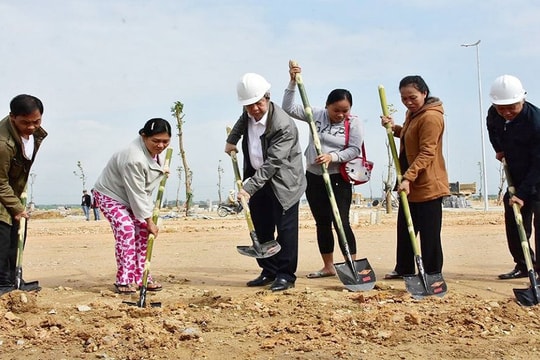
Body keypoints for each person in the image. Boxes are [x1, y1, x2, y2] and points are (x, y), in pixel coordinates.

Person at [225, 72, 306, 292]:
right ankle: (268, 271)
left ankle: (285, 275)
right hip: (258, 178)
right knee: (261, 226)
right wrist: (231, 140)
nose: (254, 110)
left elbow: (273, 163)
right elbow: (242, 123)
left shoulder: (283, 125)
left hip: (284, 181)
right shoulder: (248, 112)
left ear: (267, 97)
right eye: (249, 105)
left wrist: (247, 188)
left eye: (258, 103)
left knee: (286, 230)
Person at [282, 65, 363, 279]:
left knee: (341, 221)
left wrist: (332, 157)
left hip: (339, 178)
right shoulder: (315, 113)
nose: (340, 115)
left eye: (345, 110)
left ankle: (352, 265)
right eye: (336, 110)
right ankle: (328, 266)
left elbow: (354, 149)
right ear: (327, 106)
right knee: (323, 223)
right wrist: (292, 82)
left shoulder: (353, 123)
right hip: (314, 176)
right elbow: (288, 108)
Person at [380, 75, 449, 279]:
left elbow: (427, 151)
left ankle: (432, 272)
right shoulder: (413, 114)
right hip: (410, 185)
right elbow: (411, 138)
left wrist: (408, 178)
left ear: (424, 93)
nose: (408, 102)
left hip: (428, 185)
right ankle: (404, 268)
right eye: (404, 98)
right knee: (406, 230)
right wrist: (395, 129)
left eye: (412, 97)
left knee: (429, 235)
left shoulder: (431, 117)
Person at [93, 118, 171, 294]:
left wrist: (160, 172)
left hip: (132, 196)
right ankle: (124, 280)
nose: (160, 145)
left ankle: (142, 277)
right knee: (127, 229)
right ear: (143, 136)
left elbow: (145, 182)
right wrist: (149, 220)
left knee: (143, 232)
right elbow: (138, 193)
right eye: (156, 141)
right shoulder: (133, 158)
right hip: (110, 195)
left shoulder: (154, 151)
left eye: (165, 141)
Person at [486, 74, 540, 280]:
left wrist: (524, 193)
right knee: (515, 223)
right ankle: (524, 264)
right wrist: (498, 149)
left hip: (537, 175)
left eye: (512, 107)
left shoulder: (536, 122)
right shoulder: (494, 113)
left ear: (522, 100)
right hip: (515, 173)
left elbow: (538, 164)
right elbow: (492, 128)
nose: (506, 112)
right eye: (501, 108)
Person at [0, 94, 47, 292]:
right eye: (25, 123)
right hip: (3, 187)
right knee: (2, 237)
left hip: (12, 188)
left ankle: (13, 280)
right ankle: (2, 283)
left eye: (36, 121)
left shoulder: (34, 133)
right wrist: (17, 208)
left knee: (17, 234)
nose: (31, 127)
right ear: (12, 118)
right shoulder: (3, 144)